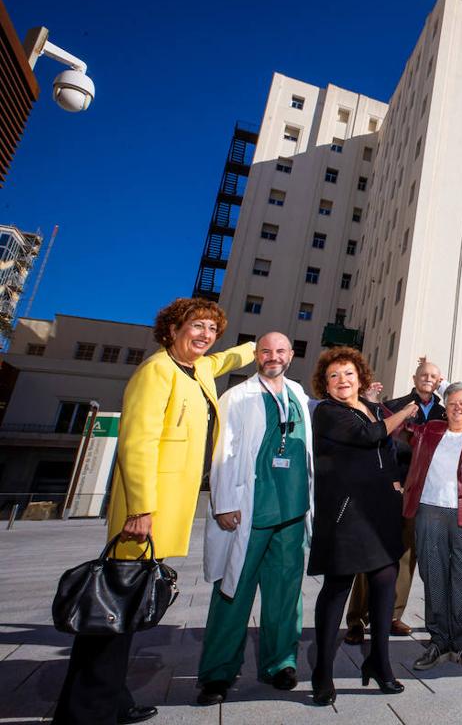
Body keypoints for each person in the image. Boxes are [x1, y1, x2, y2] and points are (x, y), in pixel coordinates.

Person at [53, 298, 254, 725]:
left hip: (168, 507)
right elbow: (136, 443)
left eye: (211, 329)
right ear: (172, 329)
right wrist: (141, 508)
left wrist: (261, 348)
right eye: (195, 326)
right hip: (145, 509)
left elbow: (227, 358)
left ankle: (114, 698)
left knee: (126, 607)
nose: (204, 335)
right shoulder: (155, 371)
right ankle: (85, 711)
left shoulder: (198, 369)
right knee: (112, 608)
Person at [196, 333, 314, 704]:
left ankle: (280, 663)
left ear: (291, 356)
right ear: (256, 356)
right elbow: (223, 452)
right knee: (233, 590)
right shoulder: (237, 397)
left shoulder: (298, 394)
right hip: (250, 509)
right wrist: (225, 502)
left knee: (285, 594)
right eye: (265, 351)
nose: (272, 356)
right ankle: (218, 673)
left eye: (280, 351)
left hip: (293, 509)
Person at [308, 347, 408, 705]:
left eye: (348, 374)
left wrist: (399, 479)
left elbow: (391, 452)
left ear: (360, 377)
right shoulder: (329, 413)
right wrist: (407, 412)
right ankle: (322, 671)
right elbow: (371, 437)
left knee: (385, 583)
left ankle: (379, 662)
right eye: (334, 376)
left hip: (380, 509)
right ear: (325, 384)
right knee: (338, 588)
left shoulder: (370, 408)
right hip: (347, 513)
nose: (342, 381)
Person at [344, 359, 447, 644]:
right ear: (414, 378)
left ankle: (391, 615)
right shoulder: (396, 405)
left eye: (433, 376)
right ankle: (357, 619)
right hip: (393, 488)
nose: (428, 379)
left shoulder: (445, 412)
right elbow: (380, 442)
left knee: (406, 555)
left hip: (424, 495)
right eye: (423, 375)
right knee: (373, 553)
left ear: (439, 382)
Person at [403, 382, 462, 670]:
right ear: (445, 406)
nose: (458, 407)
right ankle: (438, 640)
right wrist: (373, 402)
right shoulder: (430, 430)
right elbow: (397, 429)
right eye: (452, 402)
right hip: (429, 511)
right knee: (433, 574)